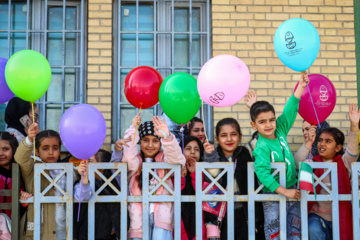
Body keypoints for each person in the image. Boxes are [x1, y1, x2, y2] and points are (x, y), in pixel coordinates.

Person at [250, 72, 310, 240]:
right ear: (253, 125)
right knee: (274, 236)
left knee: (294, 233)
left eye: (271, 120)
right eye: (262, 122)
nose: (268, 125)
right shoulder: (261, 146)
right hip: (273, 196)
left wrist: (301, 87)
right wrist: (283, 191)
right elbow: (263, 174)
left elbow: (290, 109)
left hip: (293, 190)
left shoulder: (281, 129)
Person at [299, 104, 359, 240]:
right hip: (317, 216)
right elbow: (298, 162)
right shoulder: (312, 162)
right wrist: (309, 142)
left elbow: (353, 150)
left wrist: (354, 125)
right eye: (320, 141)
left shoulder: (344, 162)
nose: (322, 144)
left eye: (328, 141)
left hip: (341, 215)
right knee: (313, 229)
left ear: (338, 147)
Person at [122, 113, 185, 240]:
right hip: (138, 221)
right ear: (139, 142)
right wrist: (133, 128)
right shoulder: (136, 162)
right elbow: (128, 155)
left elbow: (178, 161)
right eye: (146, 140)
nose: (150, 145)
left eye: (155, 140)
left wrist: (167, 137)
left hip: (162, 218)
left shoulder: (164, 160)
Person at [203, 118, 265, 240]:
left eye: (234, 134)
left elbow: (261, 138)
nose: (229, 139)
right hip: (224, 214)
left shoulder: (246, 152)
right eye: (224, 135)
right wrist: (210, 157)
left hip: (247, 212)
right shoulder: (215, 155)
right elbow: (213, 181)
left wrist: (254, 109)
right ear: (217, 139)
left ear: (240, 136)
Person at [14, 123, 71, 239]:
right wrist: (29, 139)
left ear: (60, 150)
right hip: (37, 230)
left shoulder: (67, 170)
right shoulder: (32, 168)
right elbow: (20, 158)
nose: (51, 152)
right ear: (37, 151)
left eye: (55, 148)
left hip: (61, 229)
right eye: (45, 148)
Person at [73, 150, 121, 240]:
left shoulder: (115, 182)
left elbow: (116, 164)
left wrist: (117, 150)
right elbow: (83, 196)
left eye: (90, 162)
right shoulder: (81, 183)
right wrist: (85, 179)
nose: (85, 164)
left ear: (102, 167)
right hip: (88, 235)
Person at [0, 132, 31, 219]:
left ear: (14, 150)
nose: (0, 153)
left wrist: (25, 200)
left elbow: (21, 211)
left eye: (5, 149)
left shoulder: (21, 175)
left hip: (13, 228)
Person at [180, 136, 206, 240]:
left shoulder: (204, 171)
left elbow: (202, 193)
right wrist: (181, 176)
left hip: (198, 221)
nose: (192, 152)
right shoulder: (174, 172)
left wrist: (194, 173)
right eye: (188, 148)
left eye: (196, 149)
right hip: (180, 222)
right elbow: (174, 193)